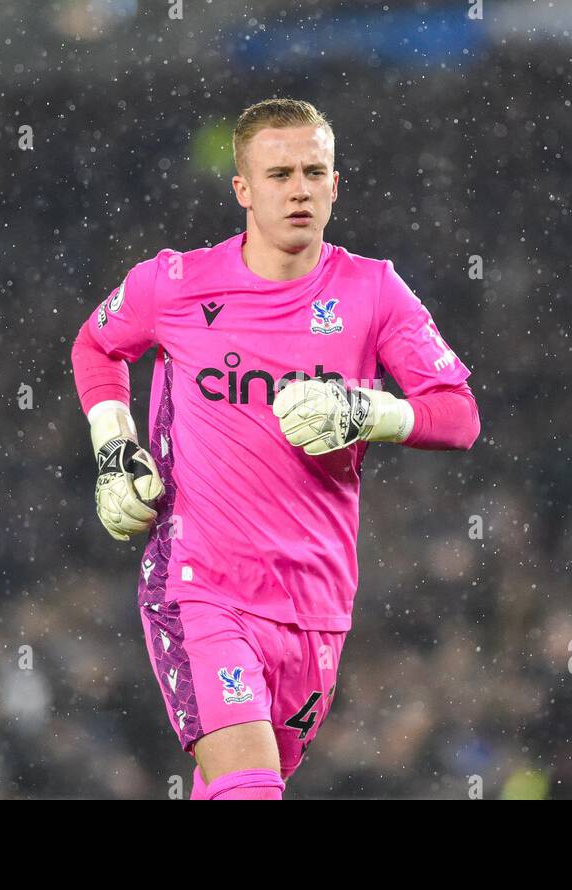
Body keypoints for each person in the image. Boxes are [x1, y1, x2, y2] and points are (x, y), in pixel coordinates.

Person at [70, 98, 480, 800]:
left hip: (317, 605)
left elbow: (459, 415)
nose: (298, 188)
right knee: (251, 789)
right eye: (279, 172)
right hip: (201, 589)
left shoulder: (374, 291)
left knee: (235, 787)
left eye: (314, 172)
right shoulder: (174, 283)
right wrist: (114, 446)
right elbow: (98, 344)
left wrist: (368, 411)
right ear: (243, 190)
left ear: (335, 184)